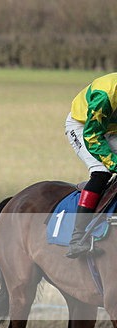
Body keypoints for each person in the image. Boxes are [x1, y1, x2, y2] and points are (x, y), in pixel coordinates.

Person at [64, 72, 117, 258]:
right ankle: (77, 237)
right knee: (102, 172)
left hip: (111, 129)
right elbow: (93, 137)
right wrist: (115, 163)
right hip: (83, 128)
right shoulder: (105, 95)